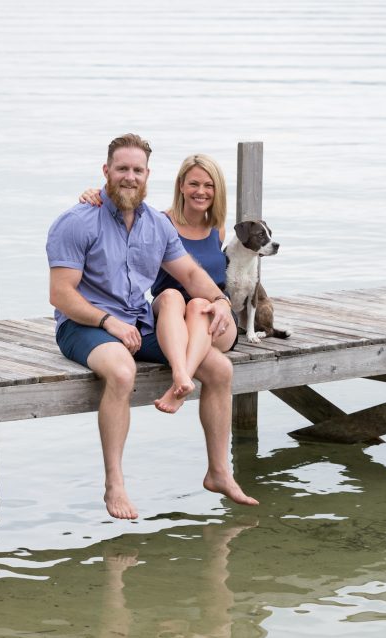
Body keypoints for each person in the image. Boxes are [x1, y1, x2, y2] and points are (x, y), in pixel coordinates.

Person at [46, 133, 258, 520]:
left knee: (220, 369)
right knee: (122, 371)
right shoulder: (77, 222)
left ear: (148, 175)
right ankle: (115, 483)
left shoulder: (157, 226)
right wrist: (107, 321)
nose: (130, 177)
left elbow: (190, 274)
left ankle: (218, 472)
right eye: (122, 169)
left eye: (137, 170)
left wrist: (221, 301)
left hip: (137, 321)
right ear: (106, 171)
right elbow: (61, 294)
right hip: (84, 324)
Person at [79, 153, 237, 414]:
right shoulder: (160, 223)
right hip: (170, 314)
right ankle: (183, 377)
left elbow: (207, 282)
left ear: (217, 190)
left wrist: (222, 302)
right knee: (174, 295)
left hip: (213, 317)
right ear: (181, 186)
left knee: (199, 304)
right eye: (194, 184)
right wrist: (96, 194)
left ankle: (181, 380)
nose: (201, 191)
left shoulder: (216, 228)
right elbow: (125, 204)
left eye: (209, 185)